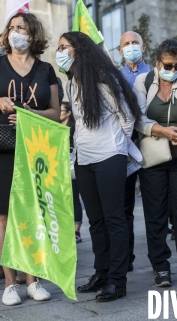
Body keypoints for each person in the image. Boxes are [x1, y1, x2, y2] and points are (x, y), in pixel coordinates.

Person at [0, 12, 59, 306]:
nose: (14, 32)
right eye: (11, 28)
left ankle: (34, 280)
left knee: (34, 215)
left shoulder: (46, 69)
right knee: (4, 217)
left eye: (21, 28)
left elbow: (56, 113)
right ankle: (11, 284)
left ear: (33, 34)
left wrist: (28, 114)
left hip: (35, 148)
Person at [59, 31, 140, 302]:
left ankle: (118, 281)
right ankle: (102, 273)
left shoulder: (105, 80)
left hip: (110, 157)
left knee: (114, 219)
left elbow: (126, 119)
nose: (60, 52)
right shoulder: (71, 83)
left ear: (79, 50)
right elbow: (78, 124)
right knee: (95, 221)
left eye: (64, 47)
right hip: (84, 160)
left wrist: (116, 147)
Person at [133, 38, 177, 288]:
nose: (174, 71)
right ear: (157, 62)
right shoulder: (143, 82)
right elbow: (137, 118)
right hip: (153, 158)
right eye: (169, 66)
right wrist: (161, 130)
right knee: (155, 215)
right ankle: (160, 267)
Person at [118, 30, 151, 271]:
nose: (131, 47)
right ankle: (126, 257)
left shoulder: (155, 74)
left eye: (135, 43)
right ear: (120, 51)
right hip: (123, 146)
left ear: (143, 46)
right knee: (124, 205)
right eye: (126, 44)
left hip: (150, 142)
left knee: (154, 204)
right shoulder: (114, 76)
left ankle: (158, 259)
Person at [61, 101, 84, 243]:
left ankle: (77, 231)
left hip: (72, 165)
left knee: (75, 198)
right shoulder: (57, 126)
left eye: (61, 110)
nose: (58, 112)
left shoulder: (73, 127)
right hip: (61, 166)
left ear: (69, 113)